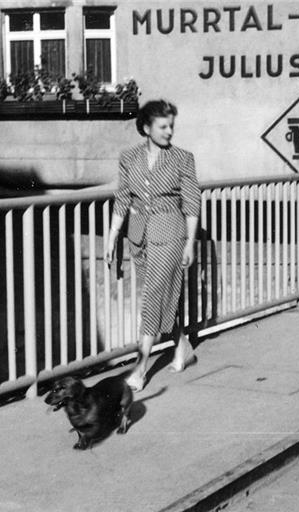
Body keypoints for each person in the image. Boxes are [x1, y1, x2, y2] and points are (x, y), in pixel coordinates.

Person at [104, 99, 201, 392]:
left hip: (170, 233)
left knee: (152, 297)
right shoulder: (129, 157)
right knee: (159, 296)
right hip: (138, 235)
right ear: (146, 128)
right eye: (163, 126)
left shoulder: (183, 158)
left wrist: (190, 243)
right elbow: (122, 197)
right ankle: (182, 347)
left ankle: (140, 368)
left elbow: (193, 203)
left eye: (172, 126)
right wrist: (112, 237)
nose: (170, 132)